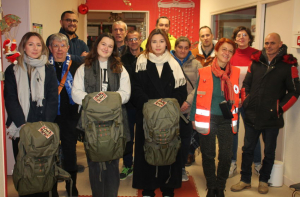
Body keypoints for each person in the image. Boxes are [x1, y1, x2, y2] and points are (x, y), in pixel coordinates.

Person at [231, 33, 300, 194]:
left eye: (272, 43)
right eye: (267, 43)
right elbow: (246, 84)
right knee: (247, 149)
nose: (269, 46)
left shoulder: (288, 65)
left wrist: (279, 108)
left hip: (272, 117)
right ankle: (245, 180)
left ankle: (264, 180)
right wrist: (246, 100)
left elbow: (295, 91)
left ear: (280, 44)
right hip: (252, 114)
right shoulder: (255, 62)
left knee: (269, 151)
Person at [71, 33, 131, 197]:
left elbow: (125, 94)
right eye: (103, 44)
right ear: (96, 45)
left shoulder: (120, 68)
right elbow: (76, 93)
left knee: (113, 161)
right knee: (94, 160)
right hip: (91, 122)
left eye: (110, 46)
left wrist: (106, 100)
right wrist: (95, 99)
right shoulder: (84, 68)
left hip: (115, 122)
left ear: (114, 50)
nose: (106, 48)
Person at [132, 29, 187, 197]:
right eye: (154, 41)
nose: (158, 45)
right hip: (147, 115)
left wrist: (168, 105)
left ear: (167, 43)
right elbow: (135, 88)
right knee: (147, 149)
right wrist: (151, 105)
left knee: (168, 148)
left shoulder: (173, 63)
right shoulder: (141, 61)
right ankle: (148, 187)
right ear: (149, 43)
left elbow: (181, 90)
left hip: (168, 117)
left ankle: (168, 187)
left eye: (161, 41)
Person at [4, 32, 58, 197]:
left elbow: (52, 99)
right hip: (22, 128)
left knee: (44, 167)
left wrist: (45, 125)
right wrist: (23, 125)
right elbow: (11, 99)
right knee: (26, 169)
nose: (35, 48)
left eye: (38, 44)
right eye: (31, 44)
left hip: (43, 127)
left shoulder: (49, 69)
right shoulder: (12, 69)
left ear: (43, 48)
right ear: (23, 46)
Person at [190, 38, 240, 197]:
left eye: (230, 51)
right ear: (216, 51)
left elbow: (240, 93)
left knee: (226, 155)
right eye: (224, 49)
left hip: (227, 119)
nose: (227, 53)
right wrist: (193, 118)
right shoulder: (204, 71)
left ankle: (221, 185)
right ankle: (212, 186)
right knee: (208, 154)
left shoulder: (236, 72)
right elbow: (197, 96)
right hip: (208, 119)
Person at [48, 33, 81, 196]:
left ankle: (71, 186)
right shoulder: (45, 66)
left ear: (68, 48)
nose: (59, 49)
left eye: (63, 46)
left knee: (70, 153)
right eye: (55, 45)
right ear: (50, 48)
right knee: (51, 153)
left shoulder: (76, 65)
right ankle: (51, 188)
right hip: (50, 117)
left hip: (70, 116)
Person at [228, 26, 262, 178]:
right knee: (233, 132)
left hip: (250, 101)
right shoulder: (230, 54)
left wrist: (246, 98)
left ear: (249, 38)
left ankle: (257, 163)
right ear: (235, 39)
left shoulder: (257, 55)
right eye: (238, 35)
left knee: (252, 132)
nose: (241, 37)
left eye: (245, 35)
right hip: (233, 101)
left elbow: (259, 79)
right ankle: (232, 162)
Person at [170, 36, 202, 182]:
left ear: (189, 48)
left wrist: (188, 102)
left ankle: (181, 168)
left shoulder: (197, 65)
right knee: (169, 140)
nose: (182, 50)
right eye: (179, 47)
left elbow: (200, 86)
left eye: (185, 47)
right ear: (175, 47)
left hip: (187, 110)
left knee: (184, 141)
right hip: (170, 110)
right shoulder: (166, 61)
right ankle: (169, 167)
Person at [187, 26, 217, 166]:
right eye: (202, 36)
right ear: (200, 38)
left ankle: (207, 155)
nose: (205, 38)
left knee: (208, 128)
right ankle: (190, 152)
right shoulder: (193, 53)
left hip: (213, 96)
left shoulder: (219, 53)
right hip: (197, 94)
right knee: (194, 125)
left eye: (207, 35)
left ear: (212, 35)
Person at [119, 30, 142, 180]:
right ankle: (128, 165)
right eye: (130, 39)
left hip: (143, 104)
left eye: (136, 39)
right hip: (127, 105)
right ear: (126, 42)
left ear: (140, 40)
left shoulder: (148, 57)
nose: (133, 41)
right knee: (127, 138)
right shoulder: (121, 60)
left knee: (143, 137)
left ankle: (141, 166)